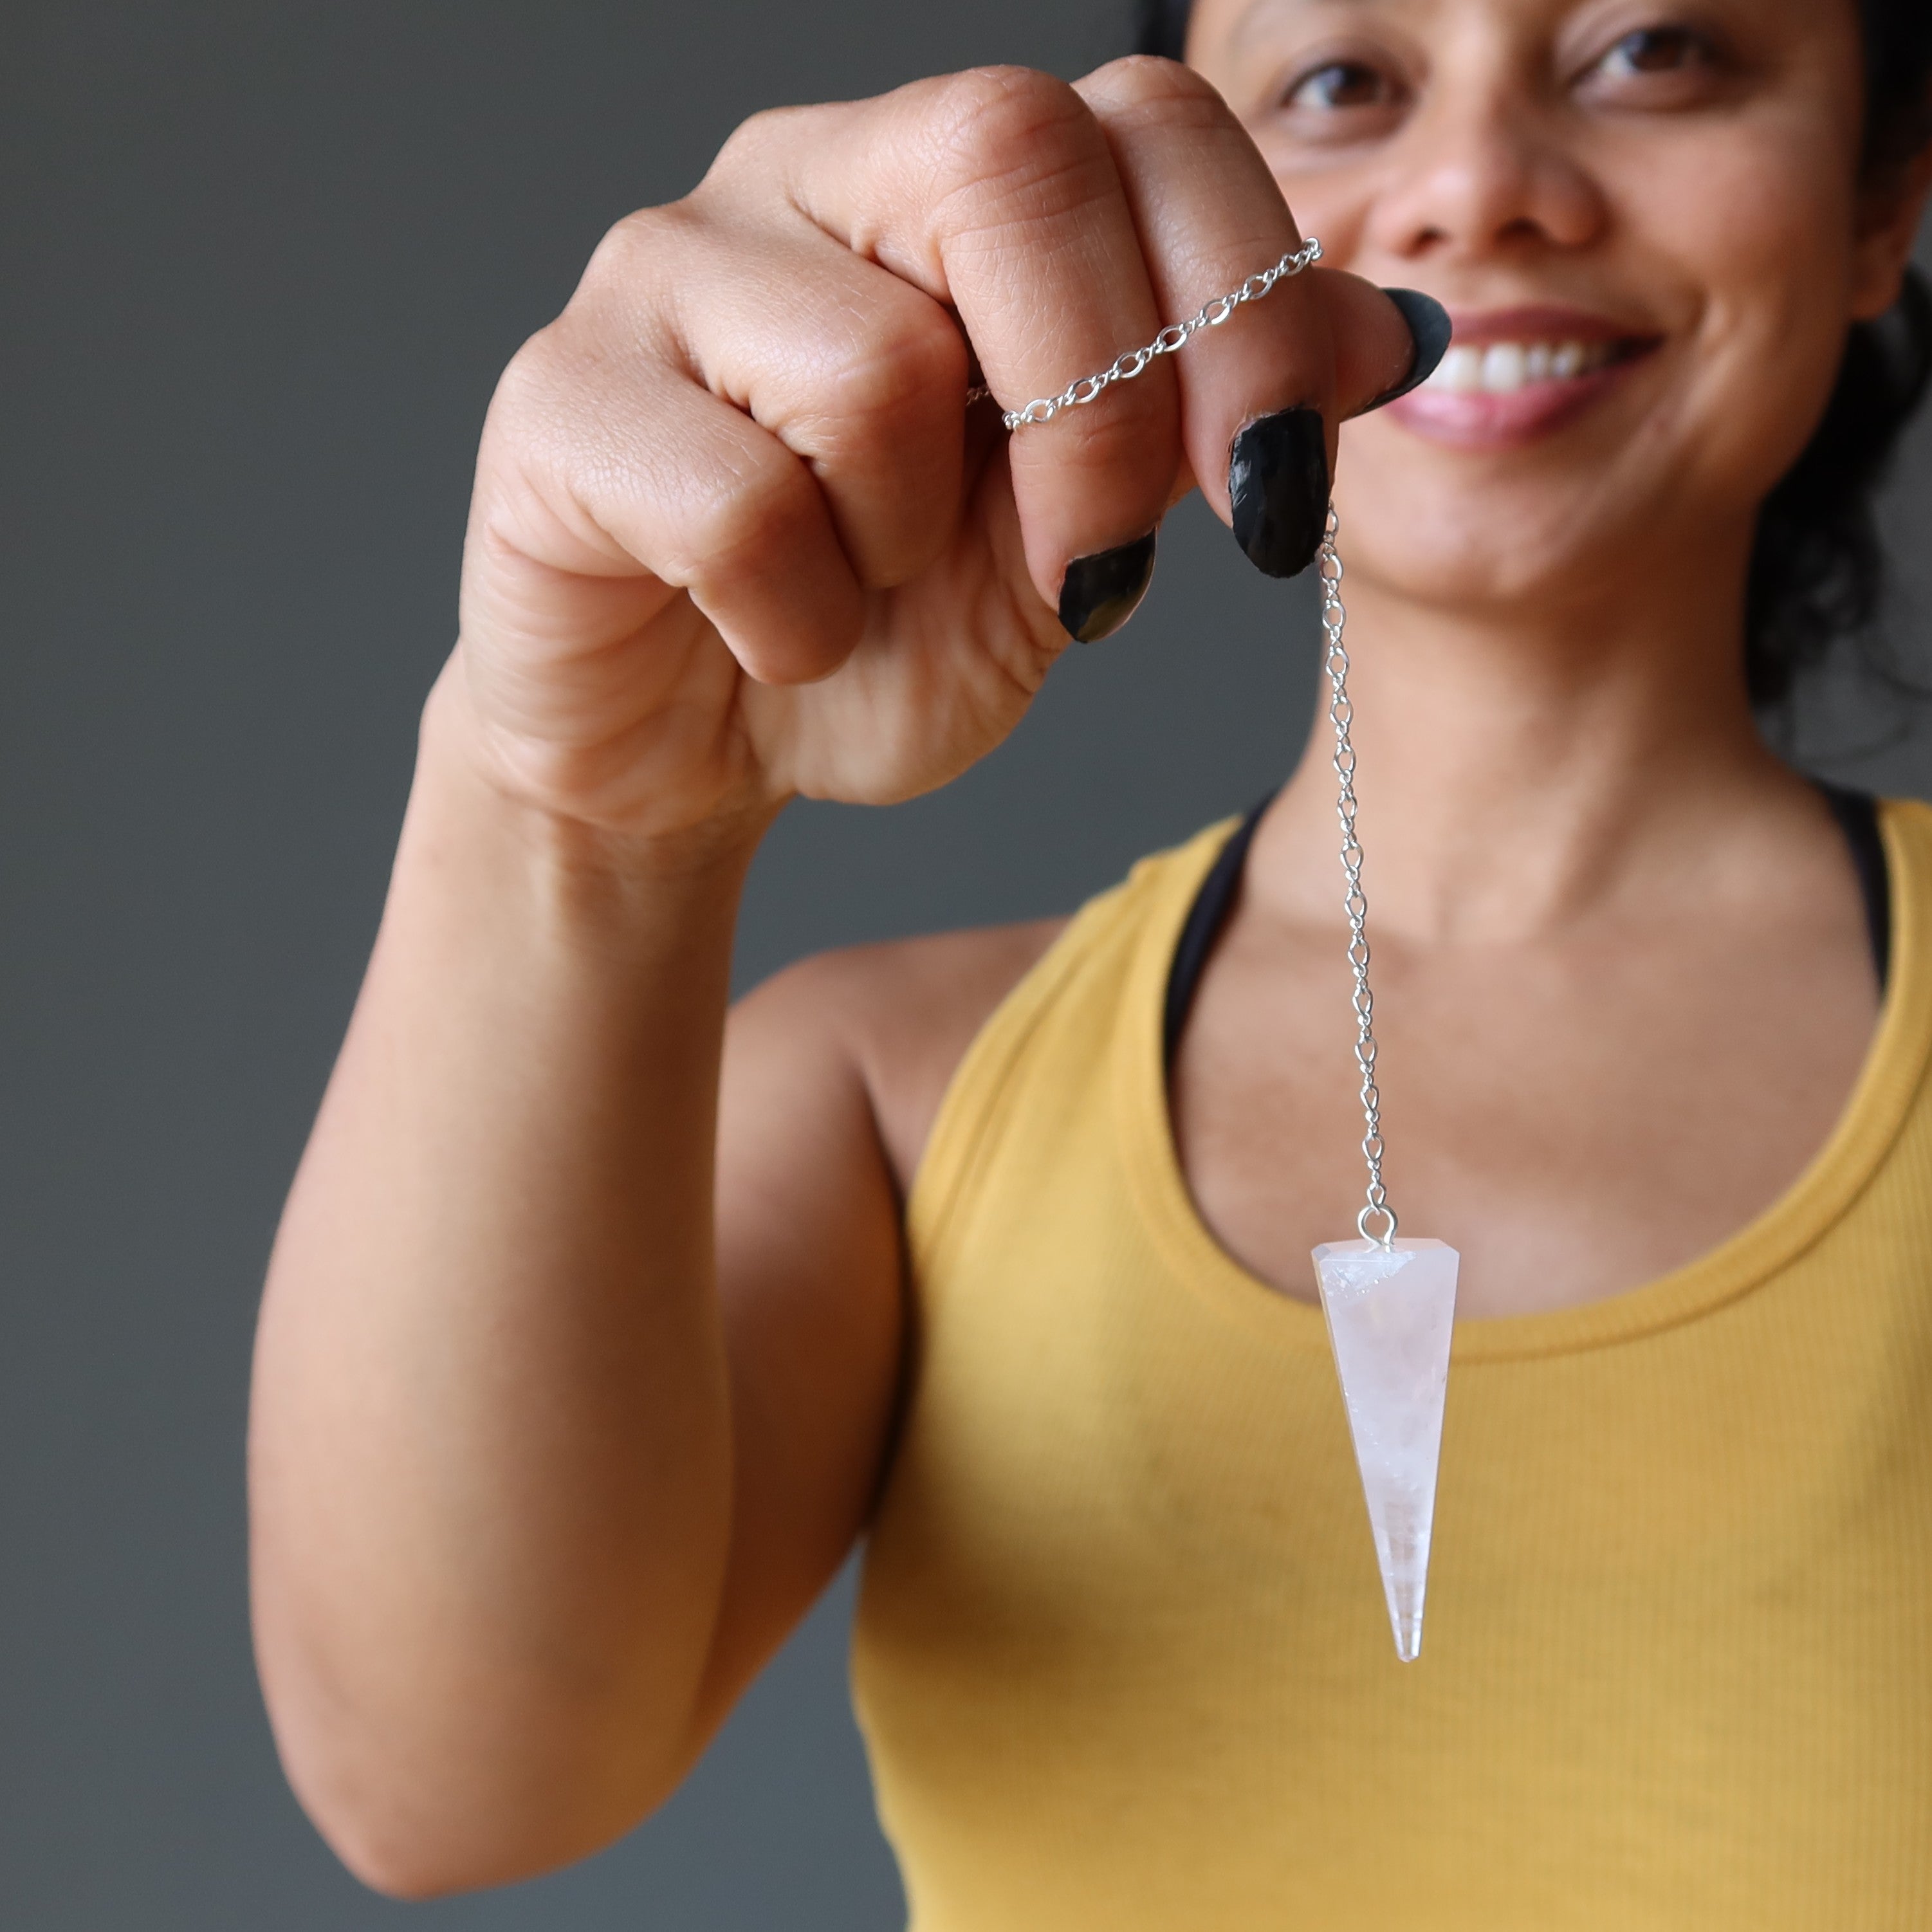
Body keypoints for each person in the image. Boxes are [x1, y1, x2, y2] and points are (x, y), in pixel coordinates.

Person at [248, 0, 1932, 1920]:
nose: (1476, 184)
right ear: (1169, 217)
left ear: (1882, 191)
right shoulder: (901, 1103)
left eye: (1654, 53)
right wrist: (573, 816)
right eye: (1339, 83)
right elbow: (447, 1782)